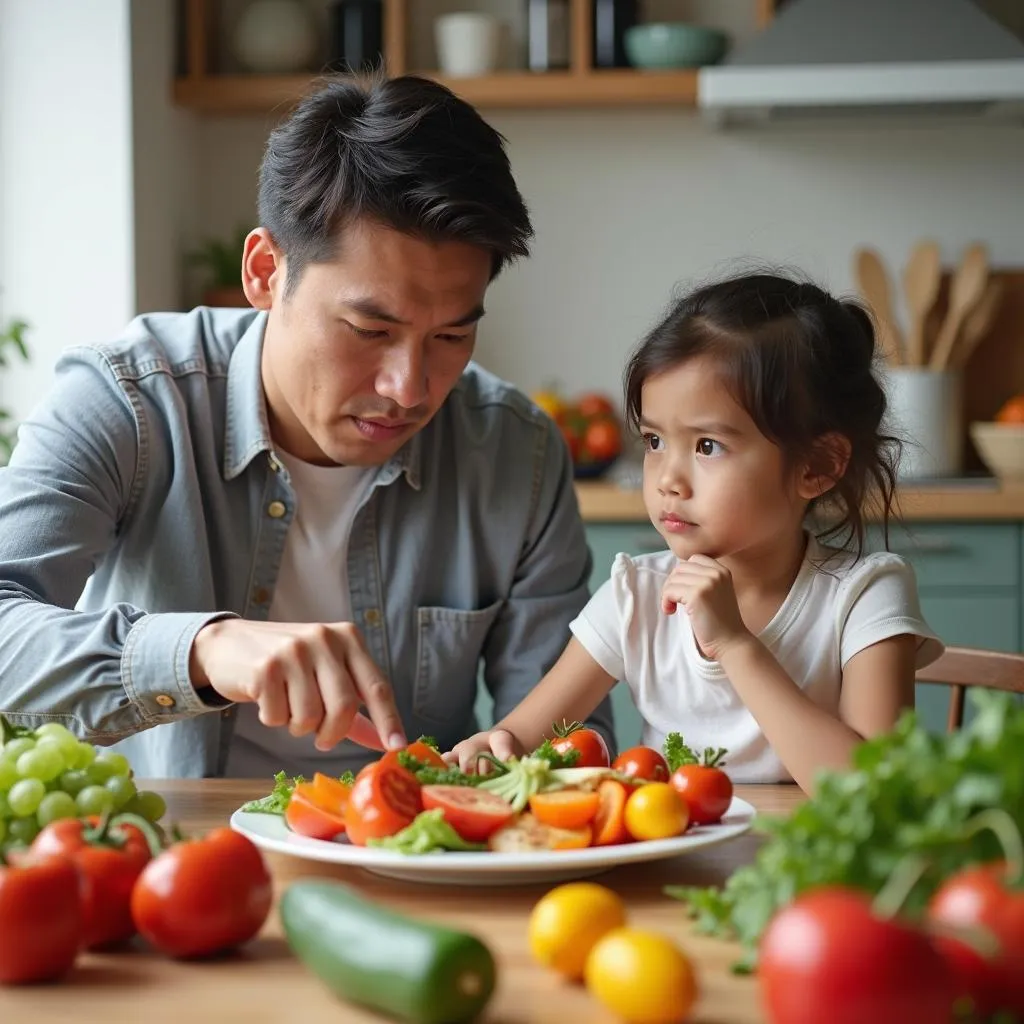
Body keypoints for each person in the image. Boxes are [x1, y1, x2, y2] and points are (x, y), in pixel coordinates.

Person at [0, 74, 614, 779]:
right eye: (368, 328)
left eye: (449, 338)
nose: (408, 389)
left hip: (419, 859)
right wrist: (206, 651)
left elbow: (565, 741)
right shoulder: (130, 401)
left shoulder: (516, 451)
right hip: (178, 854)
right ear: (265, 271)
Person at [448, 273, 944, 793]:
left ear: (817, 466)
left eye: (707, 446)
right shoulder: (635, 595)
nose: (668, 480)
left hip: (814, 869)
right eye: (654, 440)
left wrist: (735, 643)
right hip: (671, 870)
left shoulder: (864, 596)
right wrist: (491, 746)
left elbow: (875, 792)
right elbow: (522, 736)